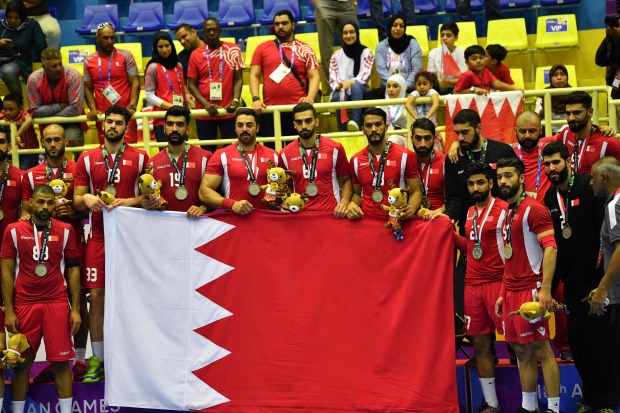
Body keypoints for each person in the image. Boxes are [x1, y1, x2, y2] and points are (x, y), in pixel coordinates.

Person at [73, 105, 149, 383]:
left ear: (126, 128)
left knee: (133, 296)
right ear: (103, 125)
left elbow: (150, 197)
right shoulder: (87, 158)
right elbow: (76, 200)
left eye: (118, 122)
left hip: (131, 239)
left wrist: (130, 201)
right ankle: (98, 359)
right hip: (98, 237)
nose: (113, 126)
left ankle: (133, 357)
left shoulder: (140, 158)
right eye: (109, 122)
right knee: (96, 297)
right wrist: (86, 199)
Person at [0, 184, 81, 413]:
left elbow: (73, 270)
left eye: (50, 202)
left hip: (56, 303)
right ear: (31, 203)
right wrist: (9, 310)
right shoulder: (13, 231)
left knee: (61, 364)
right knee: (22, 364)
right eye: (40, 202)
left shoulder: (66, 230)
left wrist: (75, 308)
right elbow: (6, 271)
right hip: (25, 304)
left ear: (55, 204)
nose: (45, 207)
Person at [21, 124, 89, 383]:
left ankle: (80, 359)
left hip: (73, 239)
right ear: (42, 142)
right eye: (48, 140)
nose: (52, 144)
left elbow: (88, 208)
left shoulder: (78, 170)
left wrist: (74, 213)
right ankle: (54, 360)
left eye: (57, 139)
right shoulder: (31, 175)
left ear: (65, 142)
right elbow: (24, 211)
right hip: (41, 250)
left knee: (77, 297)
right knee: (51, 303)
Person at [543, 142, 607, 408]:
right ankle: (591, 400)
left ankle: (609, 401)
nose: (551, 168)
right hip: (571, 284)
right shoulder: (549, 198)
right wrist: (549, 288)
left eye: (556, 162)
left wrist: (604, 282)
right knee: (579, 345)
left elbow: (604, 232)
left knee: (602, 342)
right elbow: (555, 247)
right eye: (547, 164)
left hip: (597, 282)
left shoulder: (587, 186)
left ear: (568, 161)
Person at [494, 157, 560, 413]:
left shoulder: (534, 209)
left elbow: (551, 248)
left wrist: (545, 289)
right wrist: (503, 292)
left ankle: (553, 409)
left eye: (509, 175)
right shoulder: (507, 212)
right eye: (500, 177)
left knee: (542, 350)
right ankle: (528, 407)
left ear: (521, 178)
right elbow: (509, 258)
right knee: (521, 351)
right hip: (511, 291)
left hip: (532, 289)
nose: (503, 181)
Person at [458, 161, 507, 413]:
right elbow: (470, 247)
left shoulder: (504, 209)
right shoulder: (468, 212)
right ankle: (491, 404)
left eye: (479, 182)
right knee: (480, 346)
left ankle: (529, 404)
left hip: (499, 283)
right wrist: (445, 230)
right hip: (473, 286)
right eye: (470, 184)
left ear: (490, 183)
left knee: (520, 345)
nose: (475, 188)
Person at [250, 10, 320, 139]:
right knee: (271, 149)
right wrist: (256, 99)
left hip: (298, 110)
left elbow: (314, 76)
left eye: (284, 23)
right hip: (269, 110)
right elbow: (254, 75)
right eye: (277, 24)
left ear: (293, 25)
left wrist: (310, 97)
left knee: (296, 148)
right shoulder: (262, 48)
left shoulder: (305, 49)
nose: (280, 27)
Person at [444, 109, 516, 234]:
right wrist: (448, 216)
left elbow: (515, 188)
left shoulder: (503, 151)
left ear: (478, 128)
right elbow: (454, 198)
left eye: (465, 132)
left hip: (503, 224)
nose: (460, 138)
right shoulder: (454, 158)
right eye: (457, 133)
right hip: (470, 228)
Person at [586, 156, 620, 413]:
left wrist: (603, 288)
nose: (590, 183)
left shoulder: (614, 204)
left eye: (593, 178)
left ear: (604, 178)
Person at [199, 108, 280, 214]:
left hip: (266, 217)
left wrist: (281, 197)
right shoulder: (221, 155)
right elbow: (204, 191)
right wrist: (232, 204)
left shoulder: (273, 155)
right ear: (235, 128)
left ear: (257, 128)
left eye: (249, 125)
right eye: (240, 125)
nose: (244, 129)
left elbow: (285, 189)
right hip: (234, 218)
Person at [346, 107, 422, 219]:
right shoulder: (355, 160)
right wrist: (352, 204)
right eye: (368, 126)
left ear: (386, 127)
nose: (374, 129)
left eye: (378, 124)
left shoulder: (405, 156)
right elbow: (358, 194)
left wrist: (412, 208)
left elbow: (416, 191)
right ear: (363, 129)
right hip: (368, 221)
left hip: (397, 221)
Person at [279, 102, 352, 217]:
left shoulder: (335, 148)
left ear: (316, 121)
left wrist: (344, 202)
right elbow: (286, 186)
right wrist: (285, 202)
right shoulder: (285, 154)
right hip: (300, 216)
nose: (304, 126)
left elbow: (347, 180)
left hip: (330, 214)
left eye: (308, 121)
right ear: (294, 125)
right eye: (299, 122)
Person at [187, 18, 244, 153]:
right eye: (208, 30)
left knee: (231, 151)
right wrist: (206, 104)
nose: (211, 33)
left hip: (228, 110)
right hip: (205, 112)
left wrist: (235, 100)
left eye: (214, 30)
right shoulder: (195, 55)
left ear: (220, 31)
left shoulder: (233, 50)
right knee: (207, 152)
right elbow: (191, 85)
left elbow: (238, 79)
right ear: (203, 33)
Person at [143, 106, 211, 216]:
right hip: (165, 223)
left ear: (187, 129)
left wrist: (203, 208)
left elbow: (216, 194)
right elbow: (147, 196)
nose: (174, 129)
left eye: (180, 124)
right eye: (170, 124)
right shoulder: (152, 163)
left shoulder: (205, 158)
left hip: (197, 222)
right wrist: (147, 204)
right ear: (164, 128)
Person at [83, 22, 140, 145]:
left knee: (129, 151)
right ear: (97, 38)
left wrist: (132, 106)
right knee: (107, 152)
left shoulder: (126, 56)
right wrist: (93, 109)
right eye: (105, 38)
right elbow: (87, 88)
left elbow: (135, 82)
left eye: (112, 37)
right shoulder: (89, 61)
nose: (109, 41)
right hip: (103, 116)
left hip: (125, 115)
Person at [27, 47, 86, 148]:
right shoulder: (33, 79)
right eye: (54, 66)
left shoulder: (73, 76)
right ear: (44, 67)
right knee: (50, 146)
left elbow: (76, 108)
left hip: (70, 120)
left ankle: (78, 158)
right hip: (46, 124)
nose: (59, 68)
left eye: (60, 64)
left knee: (74, 142)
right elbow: (35, 111)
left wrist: (49, 116)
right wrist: (59, 106)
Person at [555, 91, 620, 175]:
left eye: (576, 113)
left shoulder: (608, 142)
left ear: (590, 112)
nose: (571, 118)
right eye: (568, 113)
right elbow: (543, 143)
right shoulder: (565, 134)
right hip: (571, 183)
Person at [328, 20, 374, 132]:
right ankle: (342, 130)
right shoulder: (336, 55)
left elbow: (365, 75)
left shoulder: (366, 52)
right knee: (338, 96)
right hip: (341, 89)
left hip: (360, 89)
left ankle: (356, 123)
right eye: (345, 33)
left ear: (357, 33)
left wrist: (350, 83)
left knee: (356, 87)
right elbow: (333, 77)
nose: (348, 36)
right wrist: (339, 86)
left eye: (352, 32)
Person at [145, 31, 187, 145]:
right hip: (162, 119)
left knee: (183, 152)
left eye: (167, 45)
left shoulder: (179, 66)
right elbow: (149, 95)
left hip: (181, 117)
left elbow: (181, 89)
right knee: (166, 153)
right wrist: (170, 107)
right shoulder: (152, 67)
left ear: (172, 46)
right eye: (160, 47)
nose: (164, 49)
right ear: (155, 48)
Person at [0, 0, 46, 98]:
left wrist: (46, 63)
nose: (12, 20)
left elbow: (41, 46)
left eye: (16, 17)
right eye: (9, 17)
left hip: (17, 60)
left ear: (23, 15)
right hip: (1, 57)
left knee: (8, 71)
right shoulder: (1, 25)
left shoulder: (31, 25)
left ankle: (18, 102)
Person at [374, 14, 422, 94]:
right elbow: (381, 70)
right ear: (390, 27)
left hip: (408, 88)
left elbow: (416, 69)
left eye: (401, 26)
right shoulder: (381, 46)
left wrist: (405, 86)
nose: (398, 28)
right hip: (388, 88)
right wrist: (394, 86)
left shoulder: (413, 44)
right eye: (395, 25)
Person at [512, 111, 554, 202]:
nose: (527, 136)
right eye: (522, 131)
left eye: (532, 131)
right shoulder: (509, 153)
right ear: (515, 131)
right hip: (518, 208)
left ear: (540, 130)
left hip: (547, 208)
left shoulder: (549, 151)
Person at [313, 0, 358, 85]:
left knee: (353, 48)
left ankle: (354, 85)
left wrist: (354, 2)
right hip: (325, 4)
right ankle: (331, 88)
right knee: (326, 51)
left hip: (348, 5)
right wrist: (318, 4)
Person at [410, 118, 446, 220]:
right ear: (411, 138)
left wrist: (439, 211)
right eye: (418, 138)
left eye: (427, 138)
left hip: (437, 218)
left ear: (434, 138)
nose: (423, 144)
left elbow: (455, 198)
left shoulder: (445, 162)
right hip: (412, 219)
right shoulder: (405, 161)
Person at [427, 22, 467, 94]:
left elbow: (464, 78)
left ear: (456, 37)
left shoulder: (461, 53)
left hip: (456, 89)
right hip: (437, 88)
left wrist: (447, 82)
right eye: (442, 35)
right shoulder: (433, 53)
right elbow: (431, 76)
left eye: (448, 35)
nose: (444, 38)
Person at [0, 93, 37, 169]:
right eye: (5, 109)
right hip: (12, 150)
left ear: (20, 108)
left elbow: (29, 120)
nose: (7, 112)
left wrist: (17, 134)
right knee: (10, 171)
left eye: (11, 109)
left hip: (29, 151)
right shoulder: (3, 113)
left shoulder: (24, 112)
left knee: (23, 171)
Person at [535, 65, 572, 134]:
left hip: (570, 131)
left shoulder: (574, 94)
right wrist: (543, 111)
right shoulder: (544, 94)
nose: (559, 78)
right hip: (548, 131)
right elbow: (536, 119)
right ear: (550, 78)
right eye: (555, 75)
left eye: (562, 74)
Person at [378, 74, 408, 144]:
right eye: (388, 86)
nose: (391, 89)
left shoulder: (409, 105)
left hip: (404, 139)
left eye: (395, 86)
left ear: (402, 88)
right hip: (383, 138)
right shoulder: (379, 106)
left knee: (393, 139)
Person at [596, 15, 620, 101]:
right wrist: (610, 35)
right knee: (615, 97)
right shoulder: (613, 38)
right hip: (617, 82)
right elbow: (599, 60)